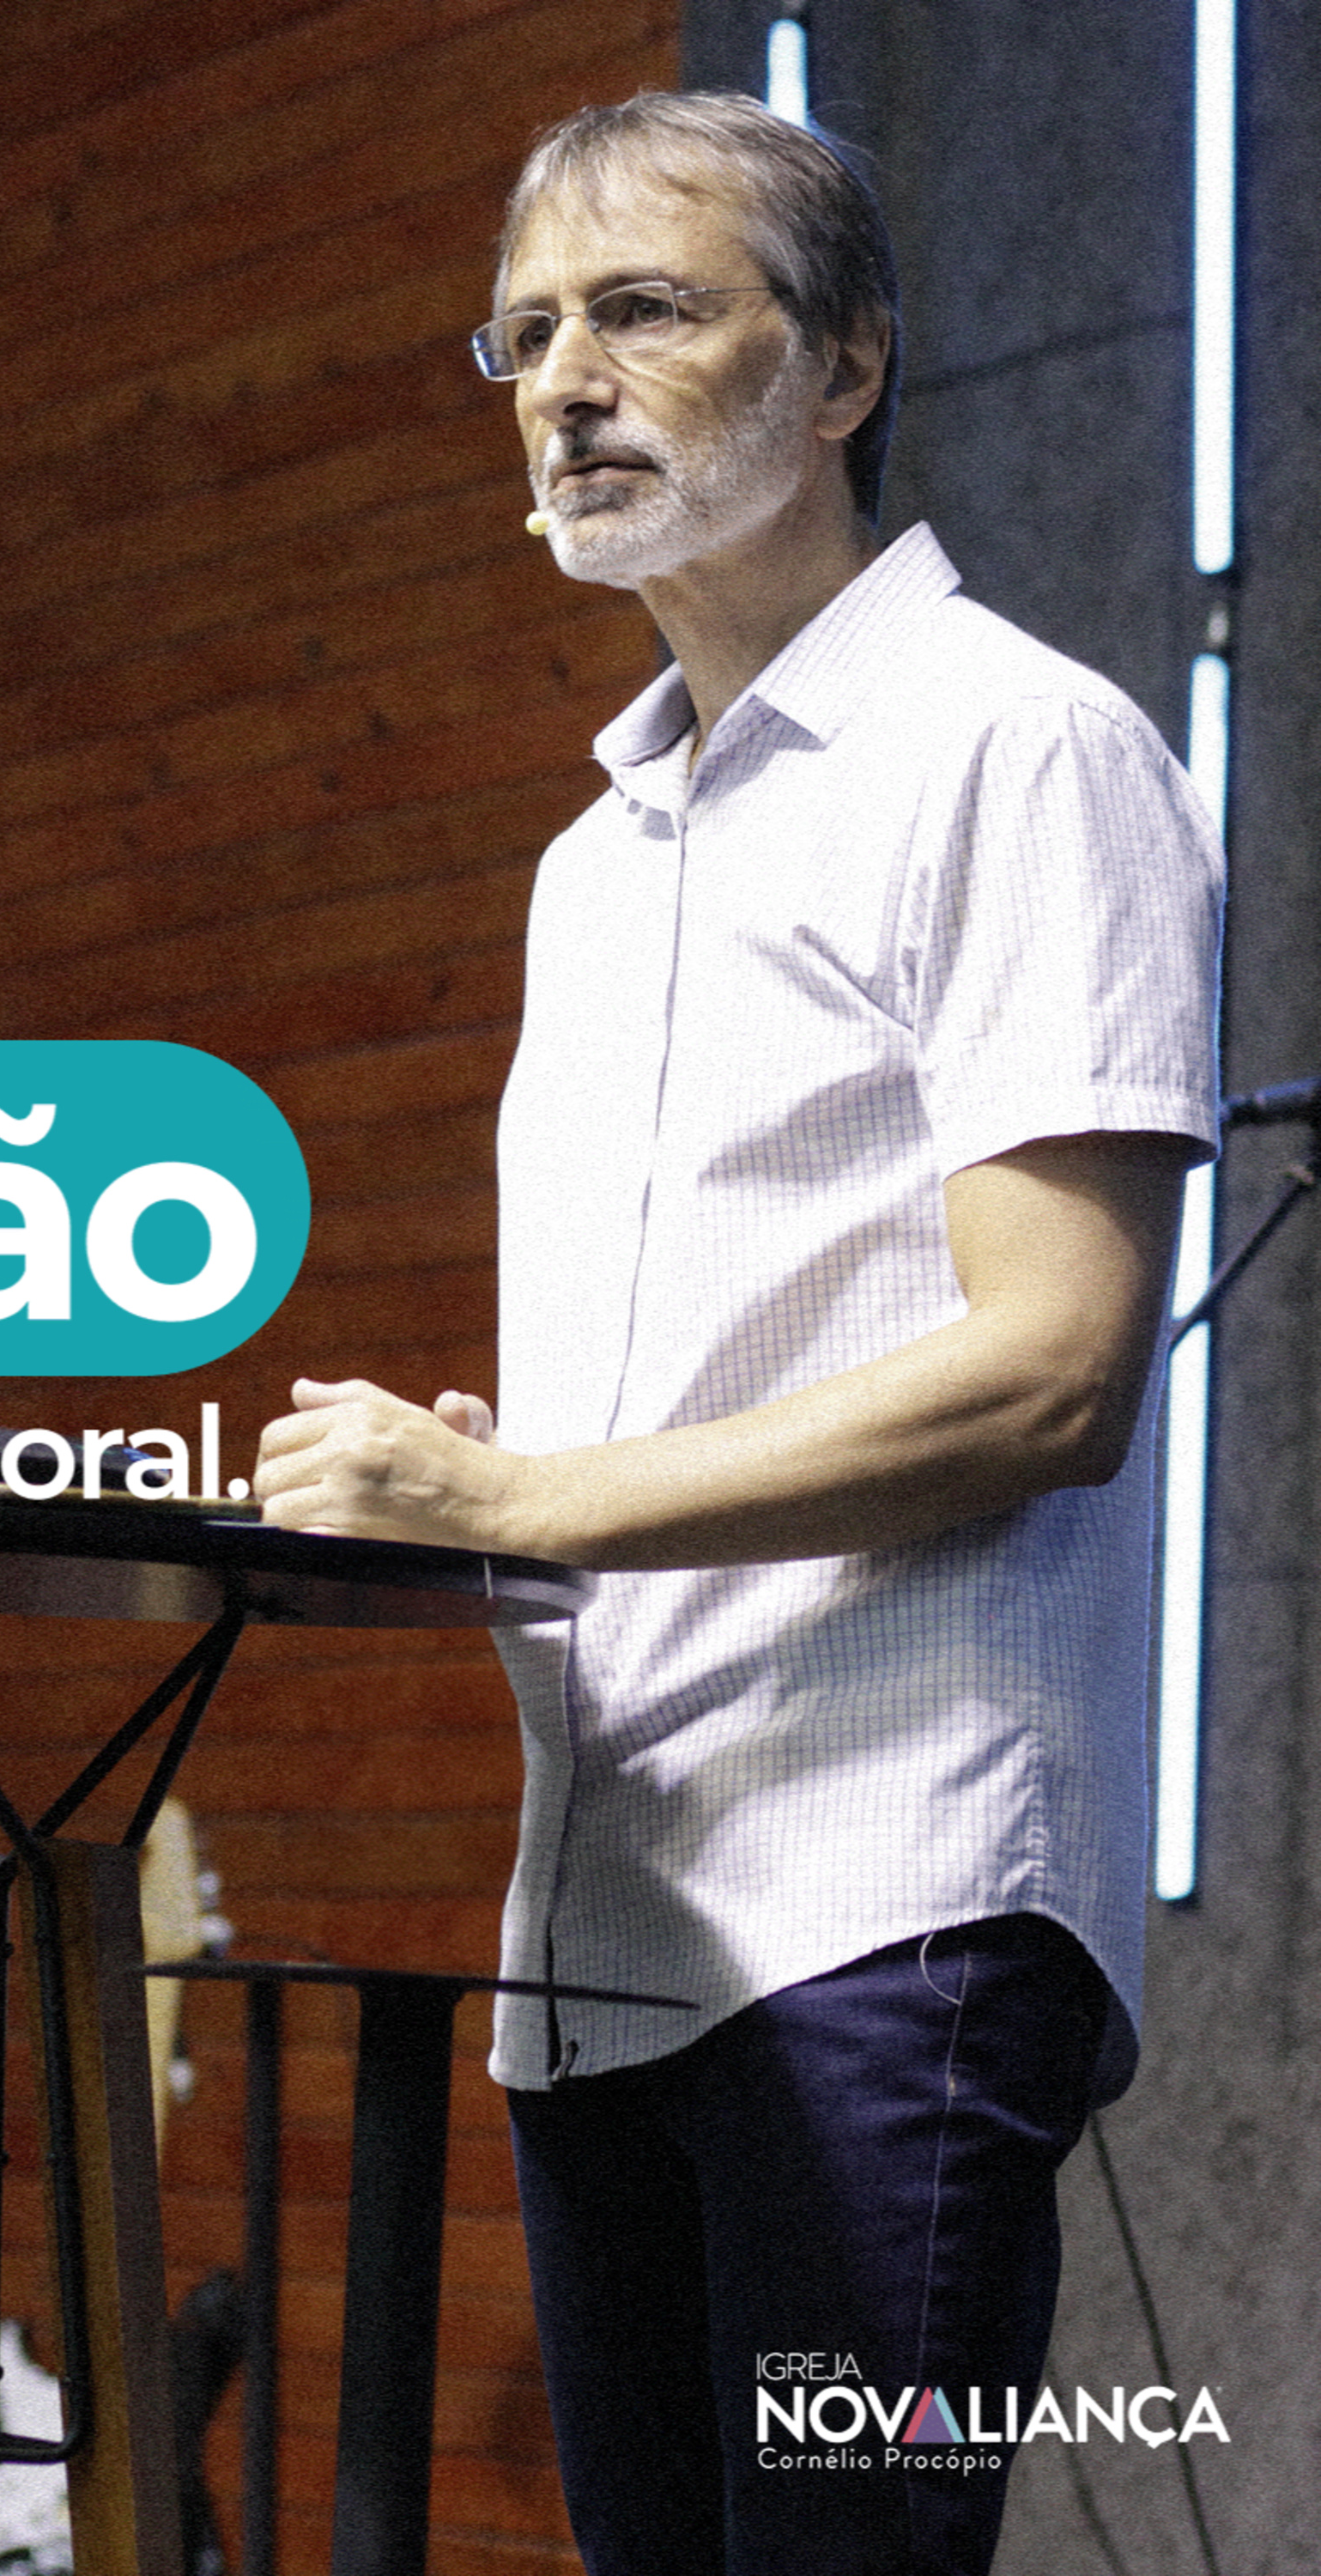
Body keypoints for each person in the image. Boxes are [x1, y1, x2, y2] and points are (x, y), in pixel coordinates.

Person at [251, 91, 1222, 2576]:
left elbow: (1057, 1367)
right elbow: (704, 1387)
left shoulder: (1024, 749)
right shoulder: (596, 865)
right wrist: (485, 1472)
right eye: (528, 334)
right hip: (607, 1931)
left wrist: (521, 1495)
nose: (569, 381)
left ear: (848, 366)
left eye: (650, 310)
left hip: (888, 1922)